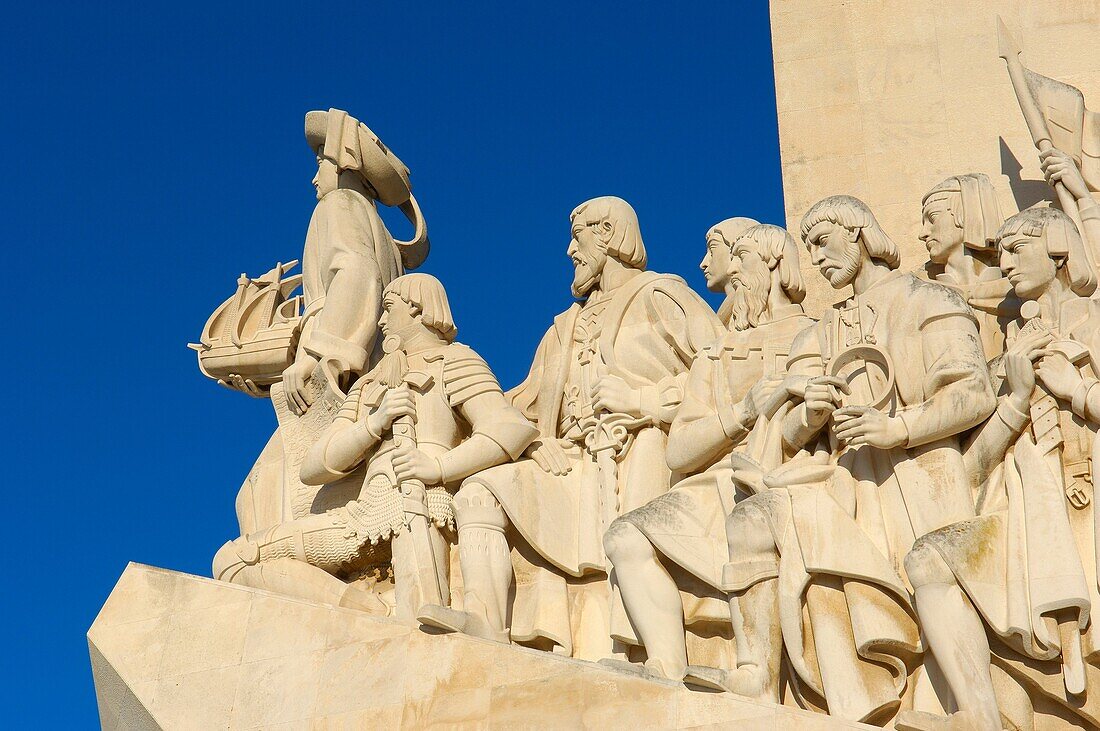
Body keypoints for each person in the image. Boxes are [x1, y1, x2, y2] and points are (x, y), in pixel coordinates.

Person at [721, 195, 996, 724]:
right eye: (809, 249)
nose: (819, 260)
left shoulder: (926, 298)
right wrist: (811, 417)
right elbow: (789, 435)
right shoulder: (817, 333)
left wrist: (898, 427)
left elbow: (973, 392)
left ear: (860, 234)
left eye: (824, 243)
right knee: (793, 543)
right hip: (847, 485)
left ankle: (975, 712)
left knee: (931, 572)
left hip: (922, 476)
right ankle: (840, 701)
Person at [417, 197, 722, 659]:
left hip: (642, 453)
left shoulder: (661, 294)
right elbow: (521, 403)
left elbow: (723, 369)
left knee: (630, 547)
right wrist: (533, 439)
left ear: (609, 235)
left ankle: (658, 656)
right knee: (480, 490)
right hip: (573, 463)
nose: (569, 250)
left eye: (577, 236)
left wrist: (644, 401)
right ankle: (487, 622)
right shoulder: (564, 325)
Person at [213, 274, 536, 619]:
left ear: (416, 308)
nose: (381, 321)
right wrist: (374, 423)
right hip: (363, 513)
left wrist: (439, 468)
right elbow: (314, 466)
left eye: (388, 308)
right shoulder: (369, 382)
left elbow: (509, 428)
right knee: (234, 560)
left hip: (422, 501)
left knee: (421, 619)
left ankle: (394, 618)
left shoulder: (453, 360)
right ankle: (369, 613)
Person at [899, 207, 1100, 731]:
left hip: (1088, 503)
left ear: (1057, 248)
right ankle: (979, 715)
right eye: (1001, 250)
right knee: (927, 560)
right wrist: (1015, 397)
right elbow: (970, 469)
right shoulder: (1006, 348)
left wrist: (1077, 391)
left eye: (1016, 249)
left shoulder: (1096, 319)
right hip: (1024, 520)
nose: (1002, 263)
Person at [603, 223, 814, 684]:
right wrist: (744, 411)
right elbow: (679, 452)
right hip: (712, 484)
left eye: (742, 267)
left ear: (774, 265)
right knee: (623, 536)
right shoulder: (716, 355)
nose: (728, 277)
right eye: (731, 271)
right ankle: (665, 662)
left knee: (753, 521)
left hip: (789, 477)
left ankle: (754, 670)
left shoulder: (815, 335)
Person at [234, 108, 430, 538]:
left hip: (338, 368)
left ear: (345, 166)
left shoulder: (339, 204)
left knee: (262, 493)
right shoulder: (375, 224)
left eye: (320, 164)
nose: (313, 178)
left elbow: (357, 273)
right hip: (365, 356)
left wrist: (323, 355)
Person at [919, 173, 1014, 360]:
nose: (923, 233)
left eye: (933, 217)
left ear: (966, 216)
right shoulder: (923, 293)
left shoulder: (1017, 292)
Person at [699, 217, 759, 327]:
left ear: (736, 251)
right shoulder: (727, 315)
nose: (703, 264)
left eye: (712, 250)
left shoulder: (757, 309)